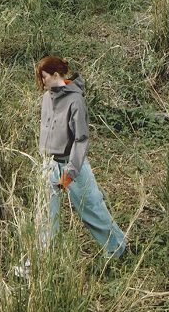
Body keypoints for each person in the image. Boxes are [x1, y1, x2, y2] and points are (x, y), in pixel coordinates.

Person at [37, 55, 126, 258]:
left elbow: (81, 139)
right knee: (45, 215)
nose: (42, 82)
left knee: (91, 210)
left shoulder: (75, 100)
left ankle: (118, 250)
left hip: (72, 165)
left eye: (44, 77)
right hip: (49, 164)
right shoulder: (46, 98)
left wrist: (71, 172)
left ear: (56, 75)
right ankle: (43, 259)